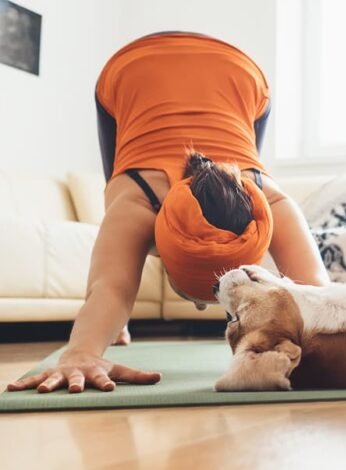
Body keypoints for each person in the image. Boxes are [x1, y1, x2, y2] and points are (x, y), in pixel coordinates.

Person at [6, 32, 329, 394]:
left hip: (234, 74)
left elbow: (317, 294)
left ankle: (110, 325)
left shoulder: (267, 202)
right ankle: (110, 324)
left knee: (118, 232)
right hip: (134, 70)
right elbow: (111, 288)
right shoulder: (137, 199)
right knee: (116, 196)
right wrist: (80, 353)